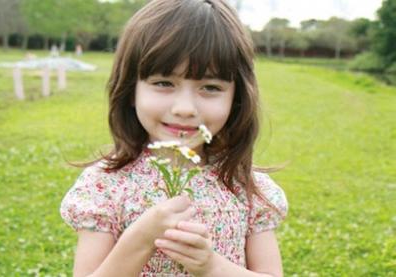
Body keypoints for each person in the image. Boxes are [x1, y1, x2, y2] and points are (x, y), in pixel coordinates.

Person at [60, 0, 288, 276]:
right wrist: (141, 238)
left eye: (210, 87)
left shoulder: (246, 187)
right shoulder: (105, 186)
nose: (185, 109)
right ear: (131, 90)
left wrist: (212, 266)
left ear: (236, 98)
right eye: (164, 83)